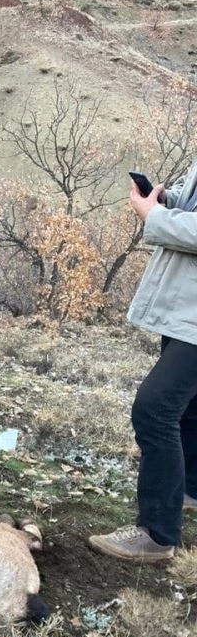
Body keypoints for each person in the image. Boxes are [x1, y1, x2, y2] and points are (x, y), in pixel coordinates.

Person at [90, 160, 197, 563]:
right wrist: (168, 200)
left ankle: (156, 534)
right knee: (188, 407)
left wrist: (155, 215)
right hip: (188, 306)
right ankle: (189, 489)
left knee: (155, 409)